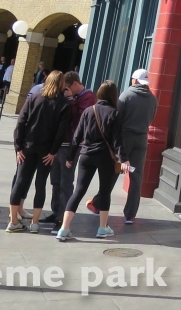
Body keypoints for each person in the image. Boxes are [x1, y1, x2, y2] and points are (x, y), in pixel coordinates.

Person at [58, 81, 126, 241]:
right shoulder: (114, 113)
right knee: (104, 191)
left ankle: (64, 228)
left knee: (79, 191)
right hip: (105, 158)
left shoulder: (89, 111)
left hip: (86, 155)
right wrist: (124, 159)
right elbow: (118, 140)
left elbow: (77, 135)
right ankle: (102, 228)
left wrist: (70, 156)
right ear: (113, 95)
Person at [7, 70, 70, 233]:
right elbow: (61, 132)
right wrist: (53, 152)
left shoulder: (33, 98)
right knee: (40, 184)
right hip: (46, 152)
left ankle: (13, 221)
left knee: (20, 181)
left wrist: (18, 147)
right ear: (61, 83)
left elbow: (21, 123)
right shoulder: (64, 103)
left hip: (27, 148)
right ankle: (35, 222)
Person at [43, 71, 95, 227]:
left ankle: (63, 217)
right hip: (58, 144)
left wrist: (71, 101)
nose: (64, 90)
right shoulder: (69, 96)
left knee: (66, 181)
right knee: (55, 181)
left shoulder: (88, 97)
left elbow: (80, 119)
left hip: (72, 145)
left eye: (66, 87)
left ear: (74, 84)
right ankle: (55, 211)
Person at [114, 68, 158, 224]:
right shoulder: (153, 99)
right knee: (136, 176)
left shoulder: (126, 96)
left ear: (134, 80)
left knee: (115, 170)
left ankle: (100, 204)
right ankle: (130, 214)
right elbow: (151, 119)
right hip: (141, 139)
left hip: (125, 138)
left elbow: (117, 119)